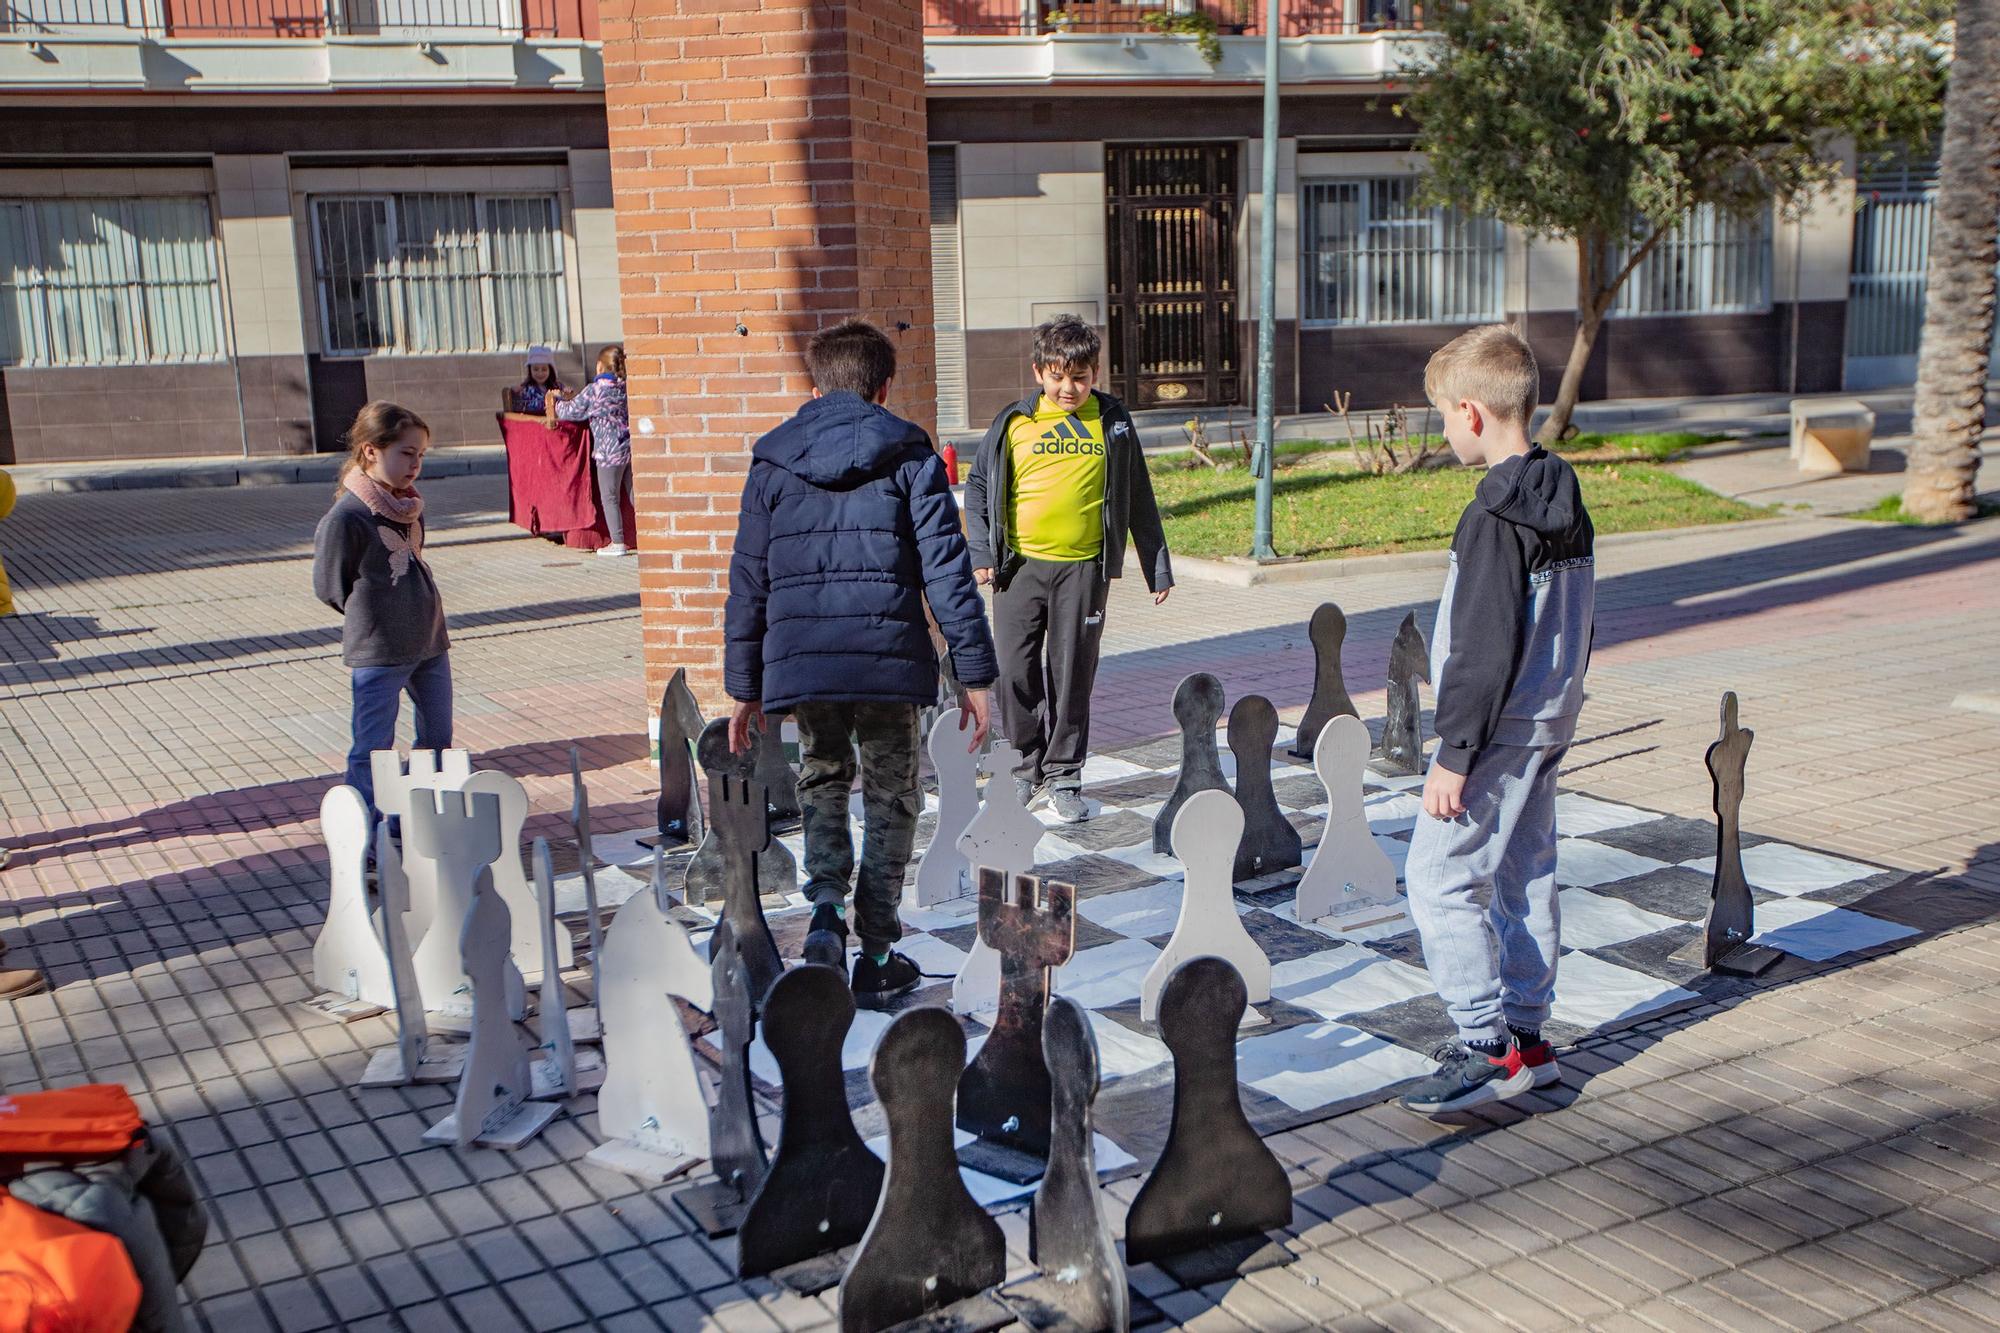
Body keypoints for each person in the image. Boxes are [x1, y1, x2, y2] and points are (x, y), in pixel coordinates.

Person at [724, 320, 997, 1008]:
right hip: (887, 662)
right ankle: (874, 949)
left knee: (821, 777)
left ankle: (823, 916)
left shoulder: (773, 462)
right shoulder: (910, 456)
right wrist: (975, 673)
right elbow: (948, 571)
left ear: (814, 388)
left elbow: (748, 579)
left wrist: (743, 688)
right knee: (892, 793)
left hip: (804, 664)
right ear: (883, 388)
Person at [1396, 324, 1596, 1117]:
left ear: (1473, 414)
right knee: (1524, 875)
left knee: (1440, 878)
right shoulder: (1561, 491)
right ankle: (1528, 1039)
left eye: (1443, 414)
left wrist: (1455, 751)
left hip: (1498, 729)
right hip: (1550, 717)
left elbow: (1481, 645)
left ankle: (1481, 1040)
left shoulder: (1494, 516)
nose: (1443, 429)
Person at [963, 314, 1172, 824]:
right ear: (1039, 372)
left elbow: (1138, 493)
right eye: (1057, 376)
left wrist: (1157, 567)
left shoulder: (1114, 421)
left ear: (1094, 373)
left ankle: (1064, 775)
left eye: (1079, 377)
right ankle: (1023, 767)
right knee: (1014, 671)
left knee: (1073, 674)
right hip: (1019, 569)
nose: (1068, 387)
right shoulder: (1014, 421)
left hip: (1084, 571)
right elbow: (978, 488)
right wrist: (981, 555)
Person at [312, 402, 451, 829]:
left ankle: (406, 823)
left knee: (436, 743)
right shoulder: (346, 518)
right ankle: (363, 838)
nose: (415, 465)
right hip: (379, 651)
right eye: (406, 454)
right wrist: (378, 615)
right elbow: (331, 587)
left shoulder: (409, 506)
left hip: (428, 642)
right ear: (372, 451)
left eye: (421, 455)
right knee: (373, 749)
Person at [553, 345, 632, 558]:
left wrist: (557, 398)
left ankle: (618, 542)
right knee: (634, 495)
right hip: (627, 447)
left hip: (607, 452)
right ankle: (650, 534)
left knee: (610, 497)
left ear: (599, 366)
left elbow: (568, 412)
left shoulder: (594, 391)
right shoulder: (625, 387)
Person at [501, 346, 564, 415]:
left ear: (550, 370)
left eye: (544, 369)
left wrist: (567, 394)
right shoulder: (525, 389)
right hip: (532, 423)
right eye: (536, 369)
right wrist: (515, 394)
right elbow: (517, 410)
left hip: (555, 424)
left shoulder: (558, 387)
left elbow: (567, 408)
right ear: (530, 370)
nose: (540, 373)